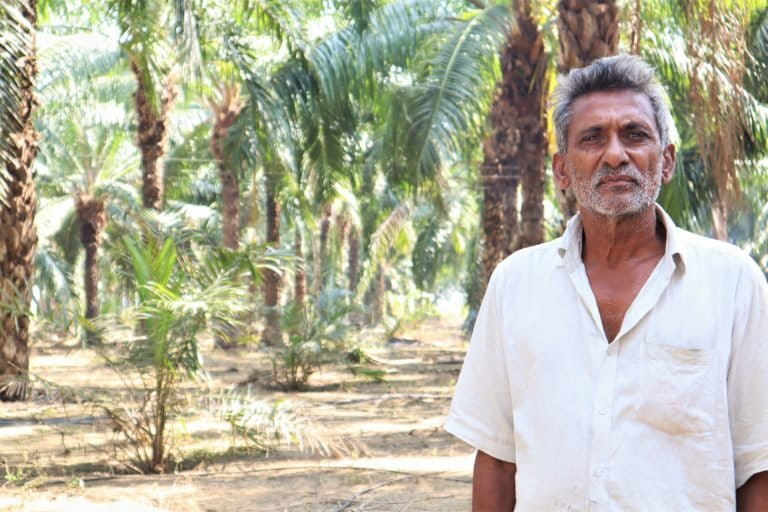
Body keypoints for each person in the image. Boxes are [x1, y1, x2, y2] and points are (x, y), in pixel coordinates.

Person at [445, 54, 768, 511]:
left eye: (634, 135)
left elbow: (759, 466)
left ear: (667, 160)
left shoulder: (734, 284)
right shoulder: (515, 285)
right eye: (592, 138)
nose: (615, 154)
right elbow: (497, 462)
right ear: (562, 170)